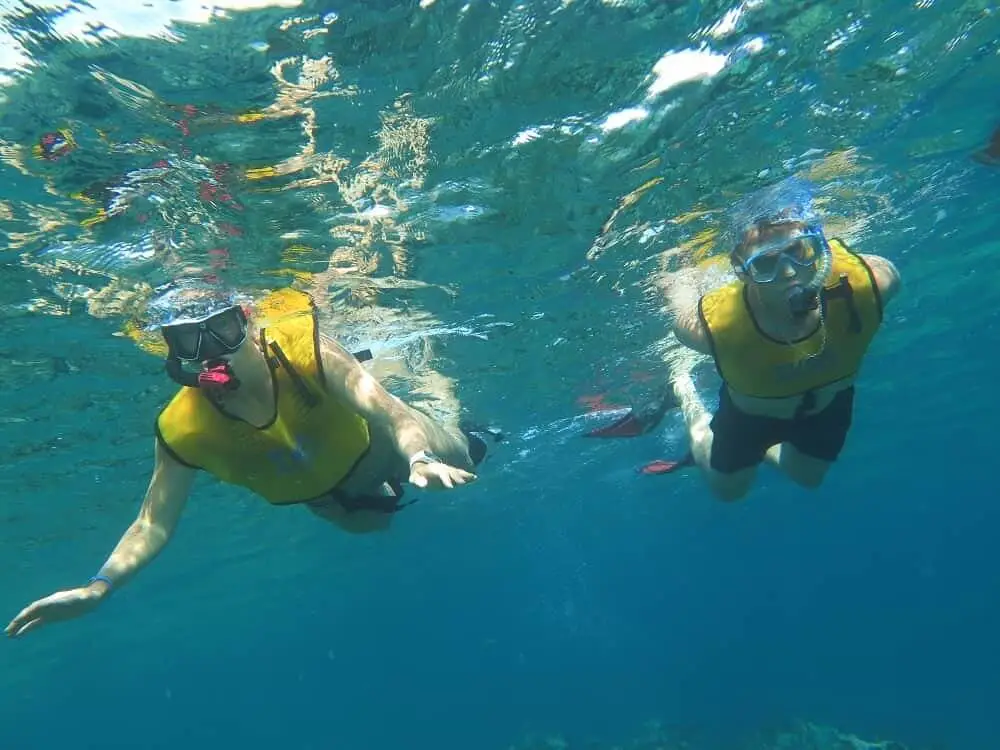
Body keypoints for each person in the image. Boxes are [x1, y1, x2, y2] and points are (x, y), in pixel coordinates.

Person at [6, 287, 493, 638]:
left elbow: (387, 409)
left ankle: (448, 404)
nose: (210, 354)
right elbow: (151, 523)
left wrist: (420, 457)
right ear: (172, 353)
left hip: (391, 446)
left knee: (466, 453)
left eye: (221, 331)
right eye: (188, 343)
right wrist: (99, 588)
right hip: (332, 499)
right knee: (370, 528)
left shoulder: (306, 355)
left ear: (248, 322)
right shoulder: (183, 426)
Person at [587, 179, 900, 501]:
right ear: (741, 270)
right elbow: (680, 305)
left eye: (797, 252)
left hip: (827, 407)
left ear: (817, 246)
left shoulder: (872, 285)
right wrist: (676, 279)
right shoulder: (713, 329)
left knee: (808, 477)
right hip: (749, 418)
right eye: (765, 263)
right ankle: (683, 391)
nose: (790, 273)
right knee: (729, 492)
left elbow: (874, 266)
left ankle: (761, 452)